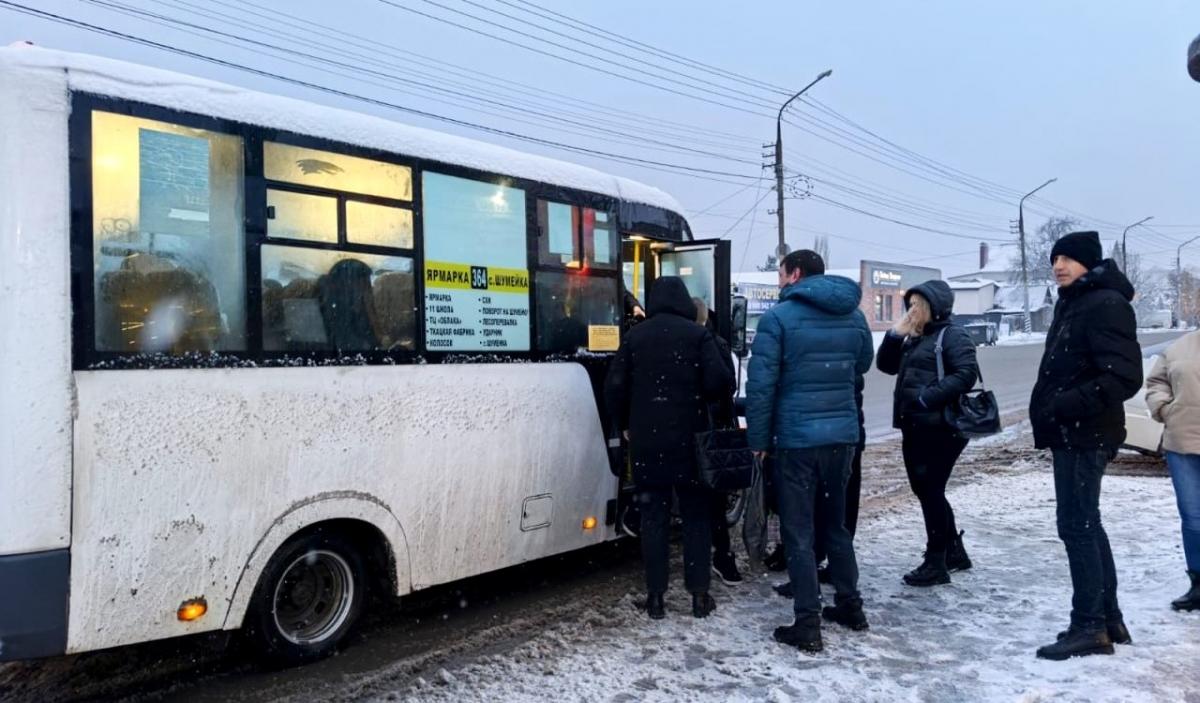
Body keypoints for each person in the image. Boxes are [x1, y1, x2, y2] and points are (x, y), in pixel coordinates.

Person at [746, 249, 873, 653]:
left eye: (781, 274)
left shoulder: (778, 319)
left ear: (795, 274)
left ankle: (808, 623)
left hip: (797, 442)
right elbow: (862, 364)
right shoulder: (854, 315)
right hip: (841, 439)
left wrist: (759, 442)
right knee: (835, 525)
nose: (779, 281)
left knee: (798, 532)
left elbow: (761, 388)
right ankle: (851, 606)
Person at [1029, 231, 1143, 661]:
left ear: (1088, 263)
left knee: (1076, 525)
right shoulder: (1076, 300)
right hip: (1074, 430)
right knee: (1085, 523)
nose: (1058, 265)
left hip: (1084, 431)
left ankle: (1089, 626)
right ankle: (1108, 617)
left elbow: (1123, 376)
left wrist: (1066, 405)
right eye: (1055, 258)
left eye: (1068, 259)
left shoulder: (1104, 303)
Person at [605, 277, 734, 620]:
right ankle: (699, 596)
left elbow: (614, 387)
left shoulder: (635, 337)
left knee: (654, 519)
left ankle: (656, 598)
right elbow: (720, 383)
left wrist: (626, 424)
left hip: (648, 441)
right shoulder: (698, 335)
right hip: (691, 441)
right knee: (695, 518)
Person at [876, 280, 979, 587]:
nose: (912, 310)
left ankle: (936, 561)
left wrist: (926, 398)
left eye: (917, 305)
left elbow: (966, 374)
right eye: (910, 304)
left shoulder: (953, 335)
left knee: (930, 491)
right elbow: (885, 366)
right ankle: (953, 552)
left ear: (934, 308)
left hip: (941, 428)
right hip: (916, 426)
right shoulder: (915, 337)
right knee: (928, 490)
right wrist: (894, 335)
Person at [1144, 329, 1200, 612]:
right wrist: (1164, 408)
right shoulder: (1180, 347)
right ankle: (1198, 584)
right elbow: (1156, 382)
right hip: (1183, 443)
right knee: (1193, 518)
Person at [693, 297, 743, 586]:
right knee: (714, 499)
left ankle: (706, 559)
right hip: (714, 432)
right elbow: (730, 386)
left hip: (694, 431)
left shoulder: (685, 343)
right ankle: (722, 557)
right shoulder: (718, 343)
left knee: (697, 499)